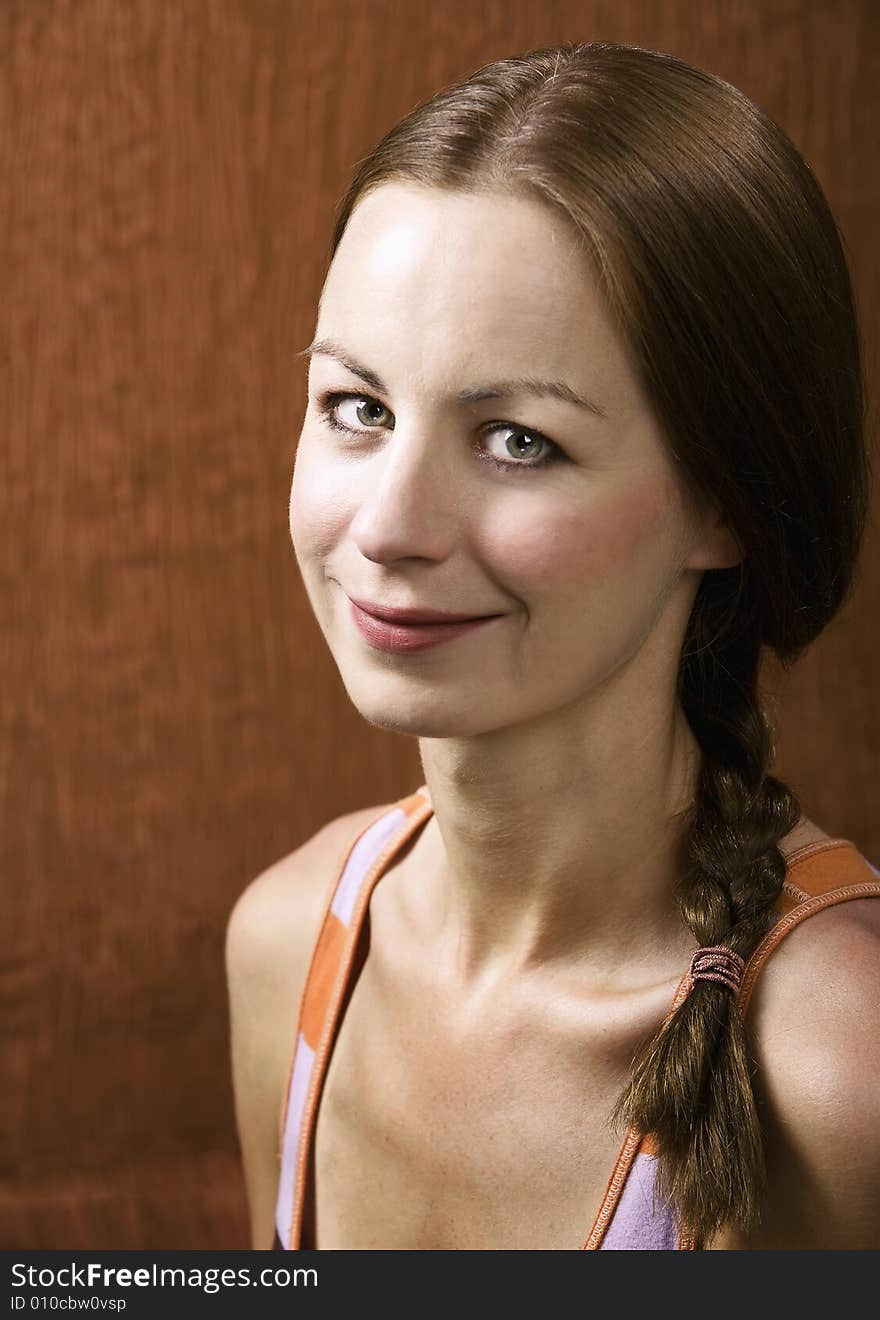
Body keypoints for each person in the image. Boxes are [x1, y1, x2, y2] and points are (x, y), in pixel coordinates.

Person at [225, 41, 880, 1250]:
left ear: (724, 501)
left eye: (517, 440)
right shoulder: (287, 941)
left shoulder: (841, 1072)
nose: (388, 528)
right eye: (356, 409)